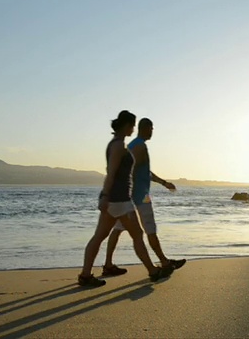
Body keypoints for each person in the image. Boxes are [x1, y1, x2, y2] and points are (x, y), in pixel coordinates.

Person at [78, 111, 173, 287]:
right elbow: (111, 172)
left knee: (100, 236)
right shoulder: (118, 146)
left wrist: (106, 197)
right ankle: (152, 271)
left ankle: (85, 275)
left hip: (117, 200)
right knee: (137, 234)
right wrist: (105, 196)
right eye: (132, 125)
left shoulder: (118, 144)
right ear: (127, 125)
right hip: (120, 200)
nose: (133, 129)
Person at [102, 118, 186, 276]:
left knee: (118, 228)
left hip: (131, 196)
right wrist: (128, 191)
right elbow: (131, 171)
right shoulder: (139, 146)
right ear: (146, 128)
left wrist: (163, 182)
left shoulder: (134, 145)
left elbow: (144, 171)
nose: (152, 131)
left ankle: (108, 264)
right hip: (140, 196)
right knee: (150, 228)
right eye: (152, 128)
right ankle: (164, 262)